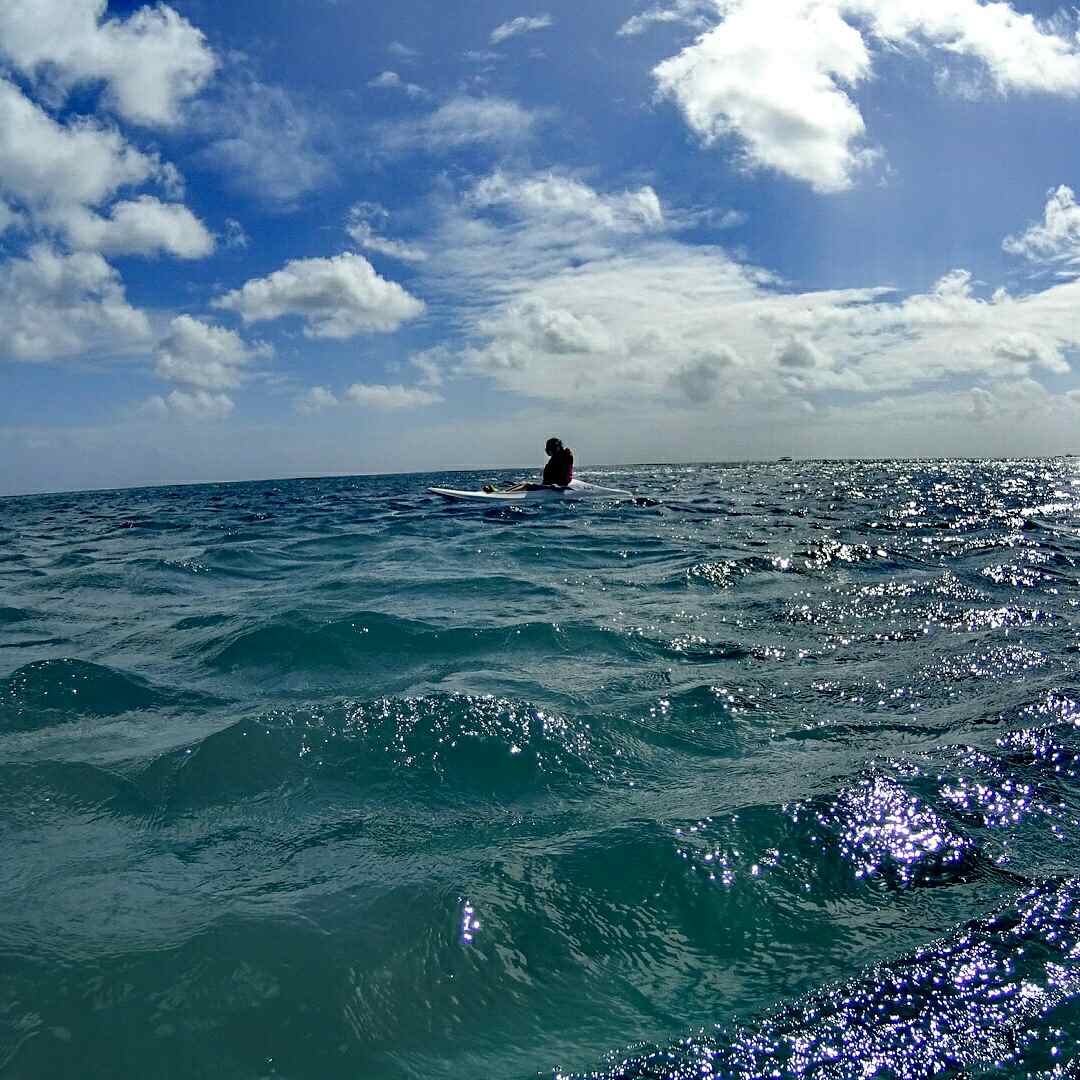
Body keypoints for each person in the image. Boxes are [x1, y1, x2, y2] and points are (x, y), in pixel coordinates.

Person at [485, 437, 574, 492]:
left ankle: (503, 494)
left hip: (555, 486)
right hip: (550, 485)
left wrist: (559, 486)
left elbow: (565, 476)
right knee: (522, 483)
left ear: (556, 448)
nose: (548, 452)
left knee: (527, 485)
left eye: (549, 449)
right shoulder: (558, 456)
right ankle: (502, 491)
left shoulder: (565, 457)